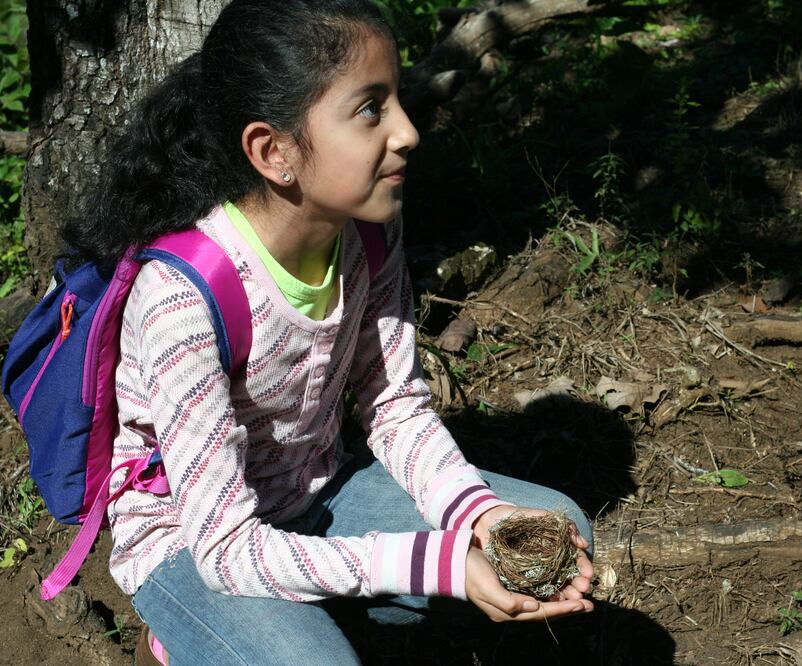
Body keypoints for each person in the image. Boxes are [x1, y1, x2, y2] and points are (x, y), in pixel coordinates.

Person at [58, 0, 594, 663]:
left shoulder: (369, 228)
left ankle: (315, 604)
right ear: (273, 151)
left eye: (395, 100)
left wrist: (480, 517)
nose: (406, 132)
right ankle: (193, 630)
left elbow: (395, 408)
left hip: (316, 491)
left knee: (553, 539)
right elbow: (225, 549)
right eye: (371, 109)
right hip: (197, 546)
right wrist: (441, 564)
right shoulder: (181, 298)